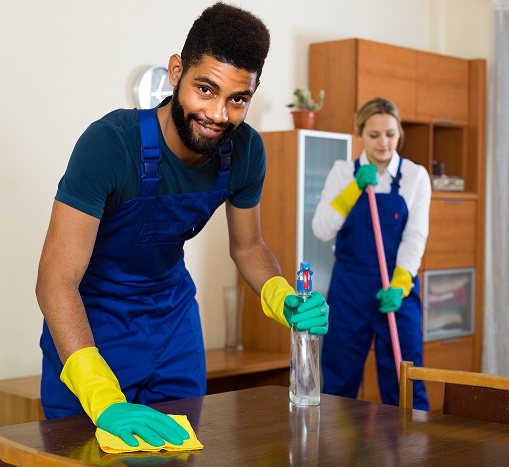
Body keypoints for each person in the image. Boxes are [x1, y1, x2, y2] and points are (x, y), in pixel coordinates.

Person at [36, 2, 329, 449]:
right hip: (92, 327)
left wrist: (283, 297)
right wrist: (101, 394)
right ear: (176, 71)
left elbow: (249, 248)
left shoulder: (245, 152)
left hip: (173, 327)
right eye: (205, 89)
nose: (217, 114)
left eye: (237, 99)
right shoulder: (110, 145)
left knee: (182, 452)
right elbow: (55, 280)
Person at [312, 97, 430, 410]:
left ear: (399, 132)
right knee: (339, 382)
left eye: (390, 134)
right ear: (360, 134)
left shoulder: (416, 177)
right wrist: (353, 189)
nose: (383, 143)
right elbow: (321, 229)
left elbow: (415, 236)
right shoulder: (342, 172)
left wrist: (401, 283)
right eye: (374, 135)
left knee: (406, 382)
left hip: (395, 289)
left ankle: (412, 456)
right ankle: (335, 456)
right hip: (350, 289)